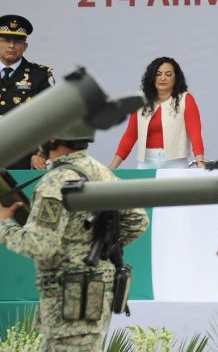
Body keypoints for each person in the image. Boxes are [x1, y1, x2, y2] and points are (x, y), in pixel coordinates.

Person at [0, 121, 149, 351]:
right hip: (90, 299)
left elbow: (39, 245)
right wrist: (97, 249)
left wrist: (3, 226)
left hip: (68, 304)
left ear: (53, 139)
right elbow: (138, 220)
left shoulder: (55, 182)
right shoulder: (98, 171)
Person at [109, 57, 205, 169]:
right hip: (147, 162)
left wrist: (200, 162)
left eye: (168, 74)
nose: (162, 78)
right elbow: (129, 136)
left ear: (176, 78)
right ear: (152, 77)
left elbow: (195, 133)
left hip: (175, 162)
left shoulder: (186, 99)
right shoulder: (141, 101)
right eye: (158, 74)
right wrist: (113, 167)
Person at [0, 14, 54, 169]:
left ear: (25, 46)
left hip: (23, 160)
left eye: (17, 41)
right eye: (6, 40)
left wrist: (41, 153)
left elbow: (51, 118)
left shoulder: (39, 76)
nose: (11, 46)